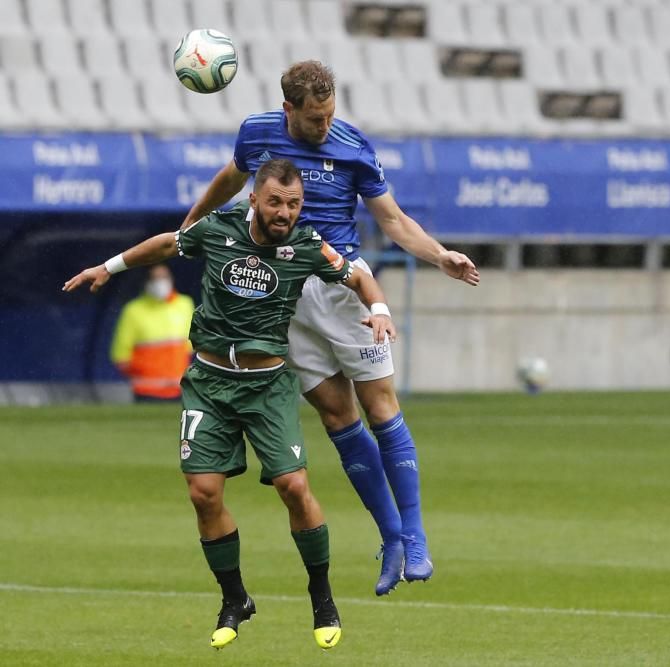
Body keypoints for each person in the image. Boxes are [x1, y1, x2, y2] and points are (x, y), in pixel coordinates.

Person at [64, 159, 396, 651]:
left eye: (294, 204)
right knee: (203, 493)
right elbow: (165, 243)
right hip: (209, 383)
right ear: (255, 200)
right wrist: (107, 268)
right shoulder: (217, 229)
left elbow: (359, 279)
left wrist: (380, 311)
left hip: (267, 386)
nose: (285, 212)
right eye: (277, 202)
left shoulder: (305, 245)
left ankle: (322, 598)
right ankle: (235, 598)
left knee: (293, 484)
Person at [180, 60, 480, 596]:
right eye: (314, 119)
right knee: (337, 416)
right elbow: (231, 178)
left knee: (381, 405)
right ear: (288, 109)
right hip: (284, 298)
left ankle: (414, 535)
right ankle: (390, 536)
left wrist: (439, 256)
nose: (324, 127)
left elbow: (391, 219)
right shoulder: (257, 133)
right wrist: (190, 223)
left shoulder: (352, 145)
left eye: (329, 115)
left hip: (343, 287)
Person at [110, 264, 195, 402]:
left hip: (180, 389)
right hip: (147, 391)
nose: (160, 282)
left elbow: (190, 347)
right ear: (146, 282)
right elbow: (121, 356)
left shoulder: (184, 304)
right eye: (154, 278)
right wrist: (143, 376)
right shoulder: (133, 310)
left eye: (164, 277)